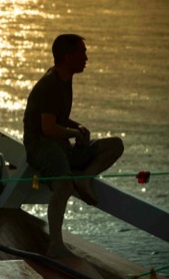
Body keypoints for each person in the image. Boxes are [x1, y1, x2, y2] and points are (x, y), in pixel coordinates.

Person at [23, 34, 124, 258]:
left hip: (59, 143)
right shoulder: (51, 84)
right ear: (68, 57)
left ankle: (84, 177)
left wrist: (76, 127)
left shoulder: (64, 78)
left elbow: (55, 116)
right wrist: (73, 133)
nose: (86, 58)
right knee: (63, 186)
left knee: (115, 145)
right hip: (41, 145)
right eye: (82, 53)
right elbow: (47, 128)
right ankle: (55, 245)